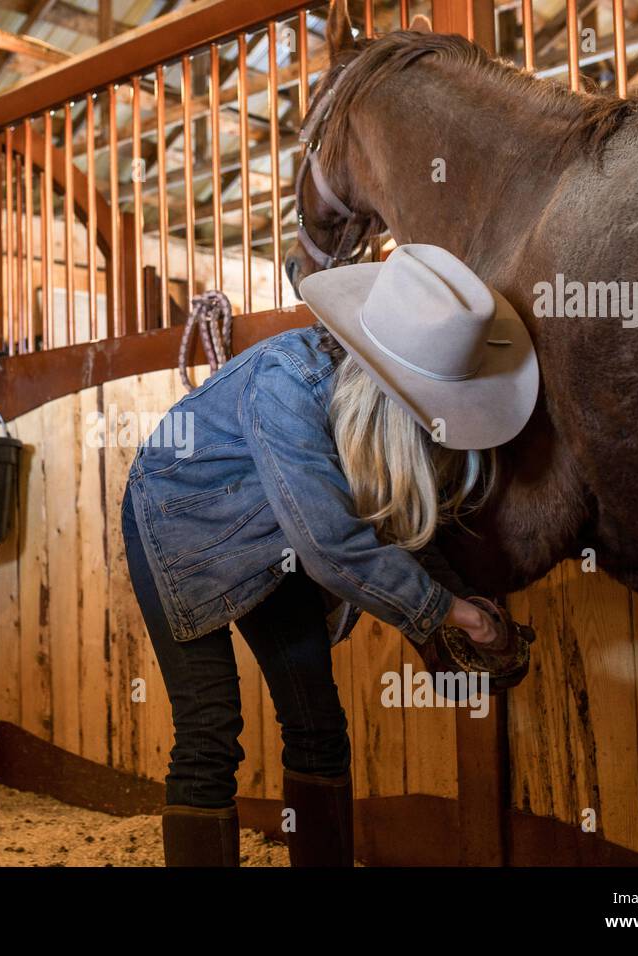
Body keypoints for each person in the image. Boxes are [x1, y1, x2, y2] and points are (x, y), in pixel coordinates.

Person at [121, 244, 539, 867]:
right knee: (210, 732)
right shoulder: (285, 384)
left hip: (280, 538)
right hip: (178, 522)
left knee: (317, 724)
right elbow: (330, 544)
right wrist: (456, 614)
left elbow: (395, 520)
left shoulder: (374, 407)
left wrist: (456, 600)